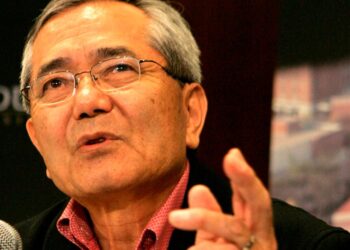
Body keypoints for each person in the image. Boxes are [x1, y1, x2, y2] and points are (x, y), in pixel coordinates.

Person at [15, 0, 350, 249]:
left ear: (191, 112)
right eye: (55, 83)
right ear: (37, 140)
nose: (87, 102)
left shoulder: (307, 245)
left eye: (119, 68)